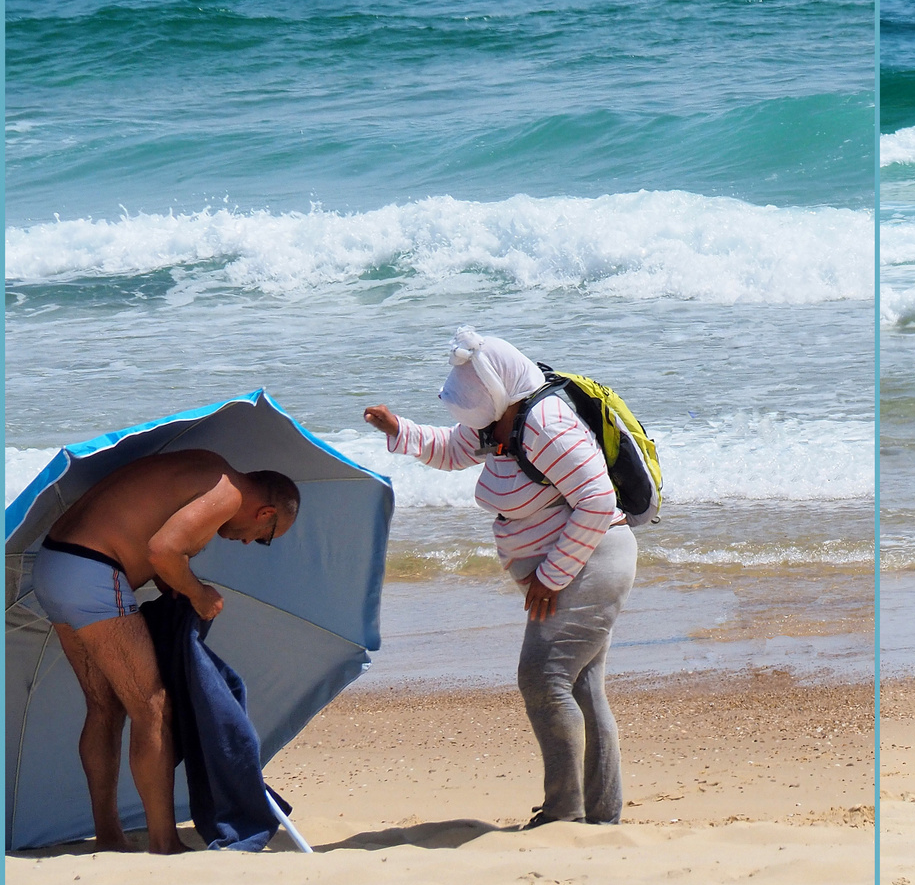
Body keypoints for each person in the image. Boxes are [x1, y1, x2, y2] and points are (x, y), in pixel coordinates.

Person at [364, 327, 634, 829]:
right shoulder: (500, 420)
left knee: (542, 678)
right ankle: (599, 816)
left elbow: (597, 501)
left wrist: (551, 577)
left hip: (594, 561)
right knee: (581, 686)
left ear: (498, 387)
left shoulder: (546, 425)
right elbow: (452, 449)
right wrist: (399, 430)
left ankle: (564, 812)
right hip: (576, 563)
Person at [33, 451, 300, 853]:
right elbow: (163, 550)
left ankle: (109, 836)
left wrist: (168, 581)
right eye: (263, 538)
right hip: (93, 572)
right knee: (152, 707)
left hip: (55, 565)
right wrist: (198, 593)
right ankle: (164, 841)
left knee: (104, 707)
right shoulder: (227, 493)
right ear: (264, 513)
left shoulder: (208, 466)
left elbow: (145, 530)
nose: (249, 541)